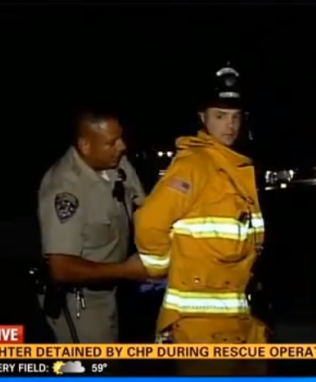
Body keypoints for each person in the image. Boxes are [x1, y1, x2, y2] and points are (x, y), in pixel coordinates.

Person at [133, 65, 269, 375]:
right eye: (220, 115)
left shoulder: (236, 167)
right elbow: (149, 223)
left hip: (240, 322)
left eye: (235, 116)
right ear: (202, 118)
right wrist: (160, 268)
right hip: (201, 328)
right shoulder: (194, 165)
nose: (230, 125)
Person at [37, 109, 149, 344]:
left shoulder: (117, 164)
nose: (122, 146)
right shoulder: (65, 189)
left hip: (114, 293)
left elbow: (144, 206)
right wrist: (127, 271)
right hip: (81, 304)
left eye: (120, 138)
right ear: (86, 146)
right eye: (112, 142)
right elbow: (62, 268)